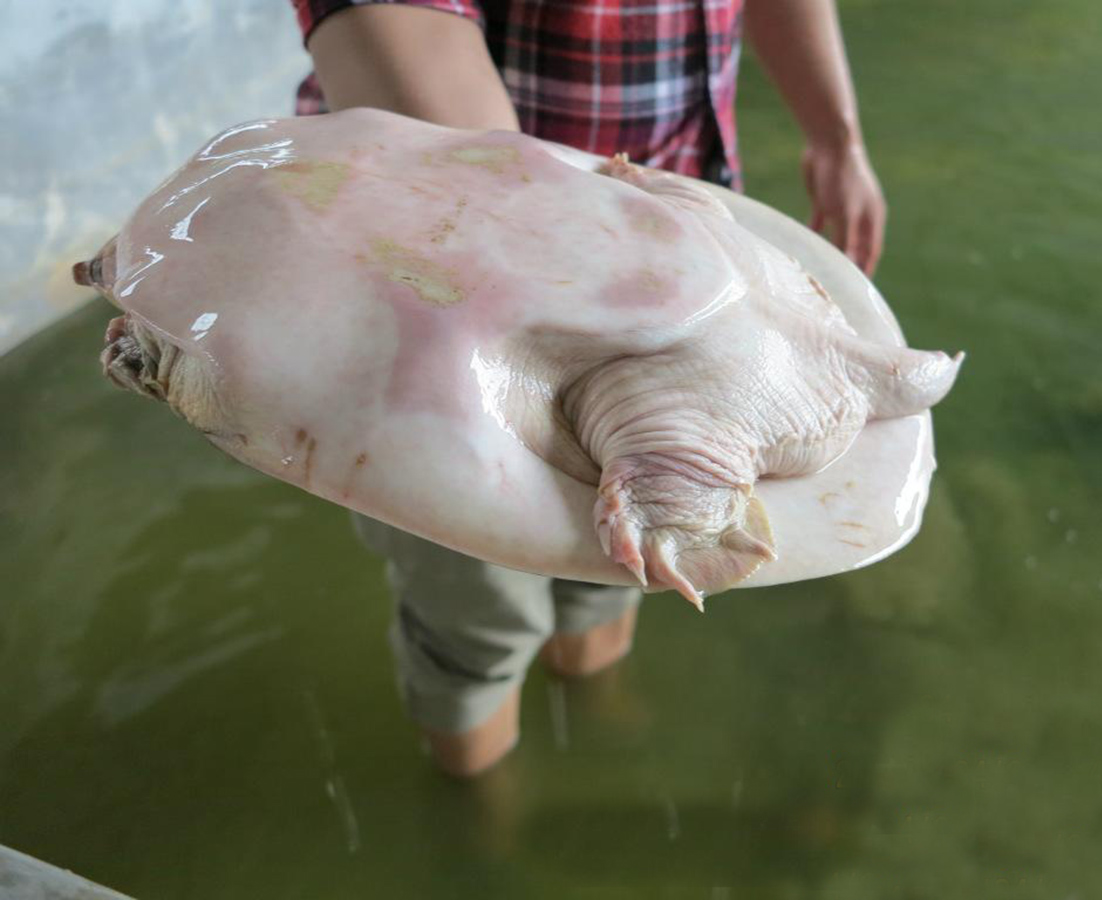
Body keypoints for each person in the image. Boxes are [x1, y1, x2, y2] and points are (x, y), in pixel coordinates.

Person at [288, 0, 887, 777]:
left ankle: (589, 693)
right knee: (479, 613)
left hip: (668, 239)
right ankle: (481, 799)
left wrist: (835, 138)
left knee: (629, 556)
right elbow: (408, 33)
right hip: (441, 273)